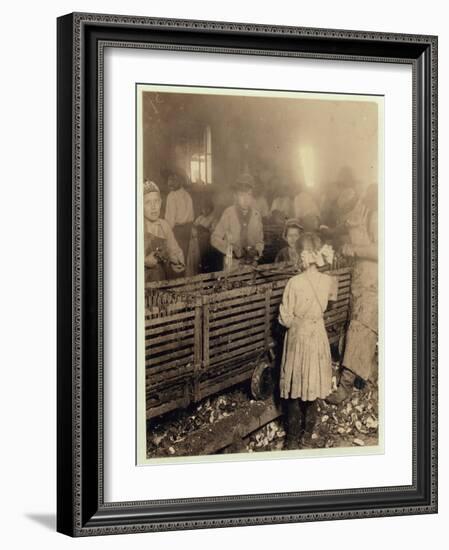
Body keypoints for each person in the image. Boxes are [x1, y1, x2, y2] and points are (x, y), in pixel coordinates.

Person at [278, 233, 337, 450]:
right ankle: (307, 436)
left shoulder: (294, 283)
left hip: (298, 335)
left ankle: (292, 439)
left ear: (304, 256)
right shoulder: (327, 280)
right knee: (312, 386)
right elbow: (330, 306)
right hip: (318, 334)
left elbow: (284, 317)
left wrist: (295, 321)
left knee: (294, 386)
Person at [327, 183, 378, 404]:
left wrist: (354, 249)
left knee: (361, 329)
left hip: (373, 282)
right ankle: (366, 376)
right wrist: (331, 233)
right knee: (359, 329)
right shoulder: (357, 214)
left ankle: (345, 387)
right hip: (360, 279)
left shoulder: (375, 216)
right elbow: (346, 228)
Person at [211, 173, 264, 269]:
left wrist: (256, 250)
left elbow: (260, 242)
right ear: (235, 196)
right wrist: (231, 249)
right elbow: (215, 238)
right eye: (241, 195)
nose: (245, 199)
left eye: (249, 195)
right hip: (232, 264)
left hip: (251, 264)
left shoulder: (256, 215)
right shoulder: (229, 213)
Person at [143, 180, 185, 282]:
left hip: (160, 281)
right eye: (148, 202)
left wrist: (177, 262)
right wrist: (143, 262)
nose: (153, 207)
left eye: (156, 201)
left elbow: (175, 250)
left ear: (161, 202)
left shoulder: (164, 226)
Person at [164, 172, 194, 261]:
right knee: (183, 256)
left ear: (180, 181)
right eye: (169, 180)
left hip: (177, 231)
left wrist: (165, 233)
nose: (170, 183)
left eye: (174, 180)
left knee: (175, 257)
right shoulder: (187, 194)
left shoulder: (172, 196)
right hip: (187, 229)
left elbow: (170, 220)